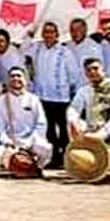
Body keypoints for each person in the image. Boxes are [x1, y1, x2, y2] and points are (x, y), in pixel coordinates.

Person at [23, 21, 79, 168]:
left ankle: (67, 157)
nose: (48, 35)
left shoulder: (64, 51)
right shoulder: (37, 48)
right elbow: (23, 49)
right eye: (46, 32)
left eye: (51, 32)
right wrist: (29, 34)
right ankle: (54, 157)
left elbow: (73, 73)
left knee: (64, 129)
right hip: (43, 95)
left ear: (57, 34)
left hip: (61, 96)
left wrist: (72, 90)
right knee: (49, 129)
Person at [0, 66, 52, 174]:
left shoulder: (33, 99)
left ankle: (35, 168)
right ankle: (17, 169)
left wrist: (30, 141)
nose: (15, 78)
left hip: (31, 140)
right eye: (12, 76)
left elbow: (41, 123)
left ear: (25, 79)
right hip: (12, 141)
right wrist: (7, 141)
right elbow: (0, 125)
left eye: (18, 76)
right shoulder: (2, 100)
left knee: (46, 149)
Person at [65, 18, 104, 88]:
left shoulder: (94, 48)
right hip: (71, 89)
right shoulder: (67, 46)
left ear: (85, 30)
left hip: (88, 88)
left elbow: (97, 70)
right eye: (72, 30)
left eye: (78, 29)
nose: (75, 32)